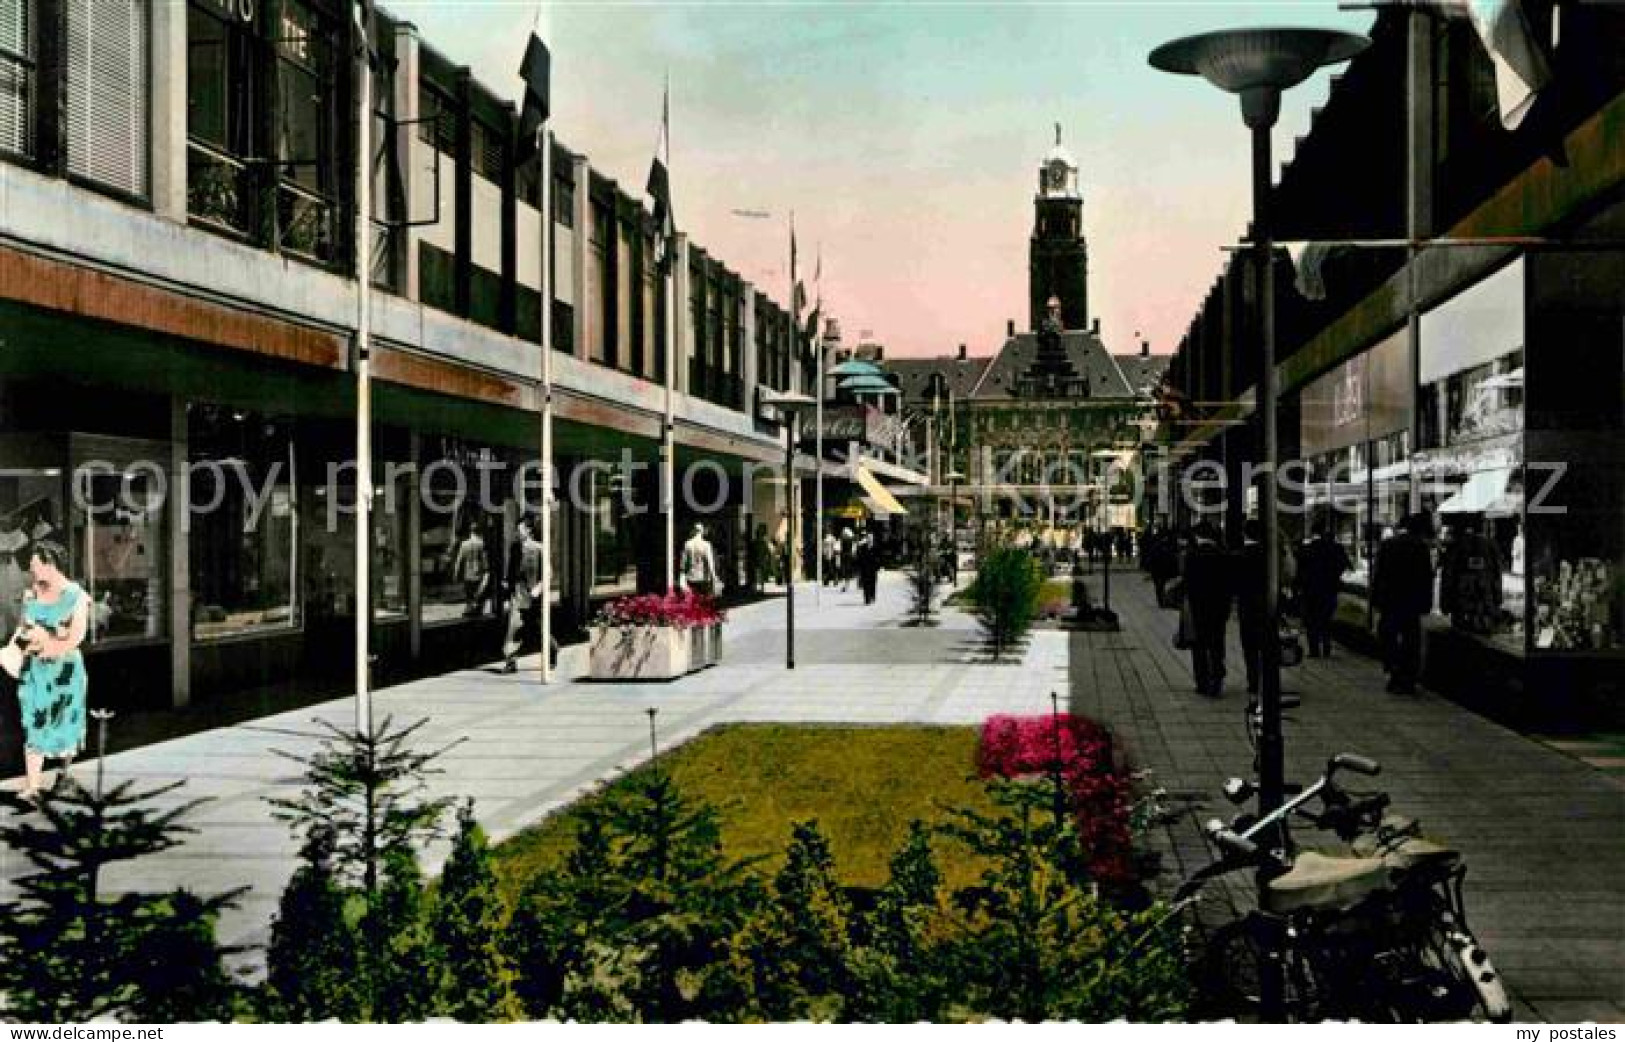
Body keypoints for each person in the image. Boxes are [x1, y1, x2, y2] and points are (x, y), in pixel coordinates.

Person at [11, 541, 88, 800]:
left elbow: (77, 637)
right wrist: (23, 641)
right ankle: (32, 786)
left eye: (34, 565)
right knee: (33, 720)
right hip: (36, 671)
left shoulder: (75, 595)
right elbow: (22, 628)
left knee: (66, 720)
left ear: (50, 563)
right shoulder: (32, 594)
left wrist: (48, 645)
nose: (31, 570)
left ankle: (64, 776)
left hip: (64, 670)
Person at [1372, 512, 1435, 694]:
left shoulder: (1388, 544)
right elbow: (1426, 578)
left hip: (1390, 600)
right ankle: (1408, 678)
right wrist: (1427, 602)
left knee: (1389, 638)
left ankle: (1393, 672)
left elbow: (1378, 575)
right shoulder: (1421, 547)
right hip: (1411, 602)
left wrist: (1375, 599)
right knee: (1411, 640)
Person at [1182, 521, 1231, 697]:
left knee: (1200, 645)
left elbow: (1187, 584)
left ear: (1197, 536)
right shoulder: (1223, 555)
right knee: (1217, 644)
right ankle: (1217, 680)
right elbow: (1227, 586)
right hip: (1219, 609)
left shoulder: (1192, 556)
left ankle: (1202, 682)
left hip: (1198, 608)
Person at [1296, 521, 1351, 658]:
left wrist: (1298, 587)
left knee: (1311, 620)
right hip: (1329, 589)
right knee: (1326, 620)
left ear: (1313, 533)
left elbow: (1299, 571)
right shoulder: (1336, 548)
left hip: (1310, 590)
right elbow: (1345, 565)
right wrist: (1335, 576)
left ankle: (1314, 650)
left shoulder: (1306, 549)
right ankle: (1327, 648)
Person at [502, 515, 544, 675]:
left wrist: (539, 588)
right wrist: (507, 585)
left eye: (520, 529)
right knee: (514, 626)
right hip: (518, 593)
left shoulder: (539, 548)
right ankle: (510, 660)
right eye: (517, 530)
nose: (518, 533)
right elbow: (510, 570)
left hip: (533, 594)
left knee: (538, 627)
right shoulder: (515, 547)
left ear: (529, 530)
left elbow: (547, 573)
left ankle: (552, 648)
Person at [1234, 518, 1269, 696]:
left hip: (1247, 607)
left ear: (1244, 533)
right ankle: (1268, 679)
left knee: (1250, 647)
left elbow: (1234, 584)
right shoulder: (1268, 555)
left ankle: (1253, 681)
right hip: (1266, 606)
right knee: (1266, 644)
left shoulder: (1240, 556)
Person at [451, 522, 489, 617]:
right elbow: (485, 561)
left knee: (469, 595)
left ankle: (469, 611)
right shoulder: (481, 543)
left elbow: (459, 560)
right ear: (478, 531)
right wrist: (486, 571)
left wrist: (455, 574)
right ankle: (476, 612)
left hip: (467, 573)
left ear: (470, 531)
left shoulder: (464, 544)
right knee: (477, 594)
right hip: (478, 573)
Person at [680, 523, 718, 597]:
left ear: (694, 531)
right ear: (702, 531)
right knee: (704, 600)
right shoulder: (706, 545)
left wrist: (682, 576)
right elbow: (710, 562)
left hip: (691, 577)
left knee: (693, 599)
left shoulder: (687, 544)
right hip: (704, 578)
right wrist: (714, 577)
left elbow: (683, 563)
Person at [855, 527, 881, 605]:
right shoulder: (863, 547)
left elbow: (879, 557)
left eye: (871, 537)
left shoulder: (876, 547)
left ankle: (872, 596)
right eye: (868, 537)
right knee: (866, 584)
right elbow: (859, 557)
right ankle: (867, 599)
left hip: (873, 568)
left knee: (872, 583)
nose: (869, 539)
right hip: (865, 568)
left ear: (873, 538)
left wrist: (878, 566)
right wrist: (859, 567)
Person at [747, 522, 770, 595]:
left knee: (758, 576)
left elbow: (767, 552)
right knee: (759, 576)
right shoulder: (760, 543)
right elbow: (767, 552)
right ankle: (759, 589)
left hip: (758, 561)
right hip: (758, 561)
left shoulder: (760, 543)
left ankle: (759, 589)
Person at [838, 525, 856, 591]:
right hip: (848, 556)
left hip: (845, 556)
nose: (842, 534)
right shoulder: (850, 540)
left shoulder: (844, 540)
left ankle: (846, 584)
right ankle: (846, 584)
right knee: (847, 570)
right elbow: (853, 549)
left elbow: (839, 548)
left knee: (845, 570)